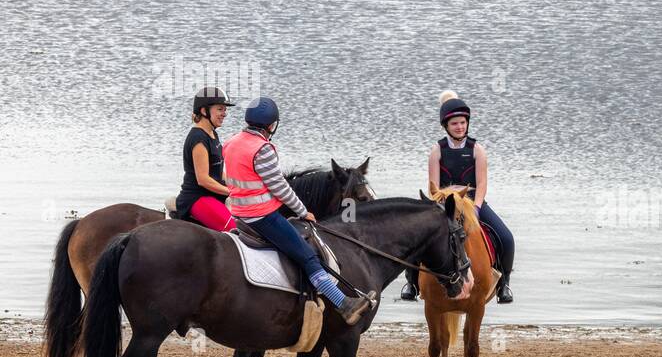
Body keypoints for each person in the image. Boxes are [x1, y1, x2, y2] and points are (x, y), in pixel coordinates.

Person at [224, 96, 372, 325]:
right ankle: (343, 305)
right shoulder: (262, 149)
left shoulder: (231, 142)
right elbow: (280, 188)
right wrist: (303, 211)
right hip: (262, 217)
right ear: (272, 125)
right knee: (308, 256)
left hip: (238, 214)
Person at [401, 90, 515, 303]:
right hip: (444, 203)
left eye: (463, 122)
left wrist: (478, 208)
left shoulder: (477, 150)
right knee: (416, 238)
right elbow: (433, 186)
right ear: (446, 126)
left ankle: (504, 285)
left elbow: (481, 184)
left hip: (472, 202)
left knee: (506, 238)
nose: (460, 127)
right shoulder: (437, 151)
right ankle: (412, 283)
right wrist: (439, 205)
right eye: (455, 124)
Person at [175, 86, 237, 232]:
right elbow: (203, 179)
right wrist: (232, 192)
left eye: (225, 110)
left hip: (212, 195)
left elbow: (218, 171)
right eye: (220, 109)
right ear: (204, 111)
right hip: (197, 197)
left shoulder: (212, 133)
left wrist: (238, 184)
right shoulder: (198, 138)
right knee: (235, 230)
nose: (225, 114)